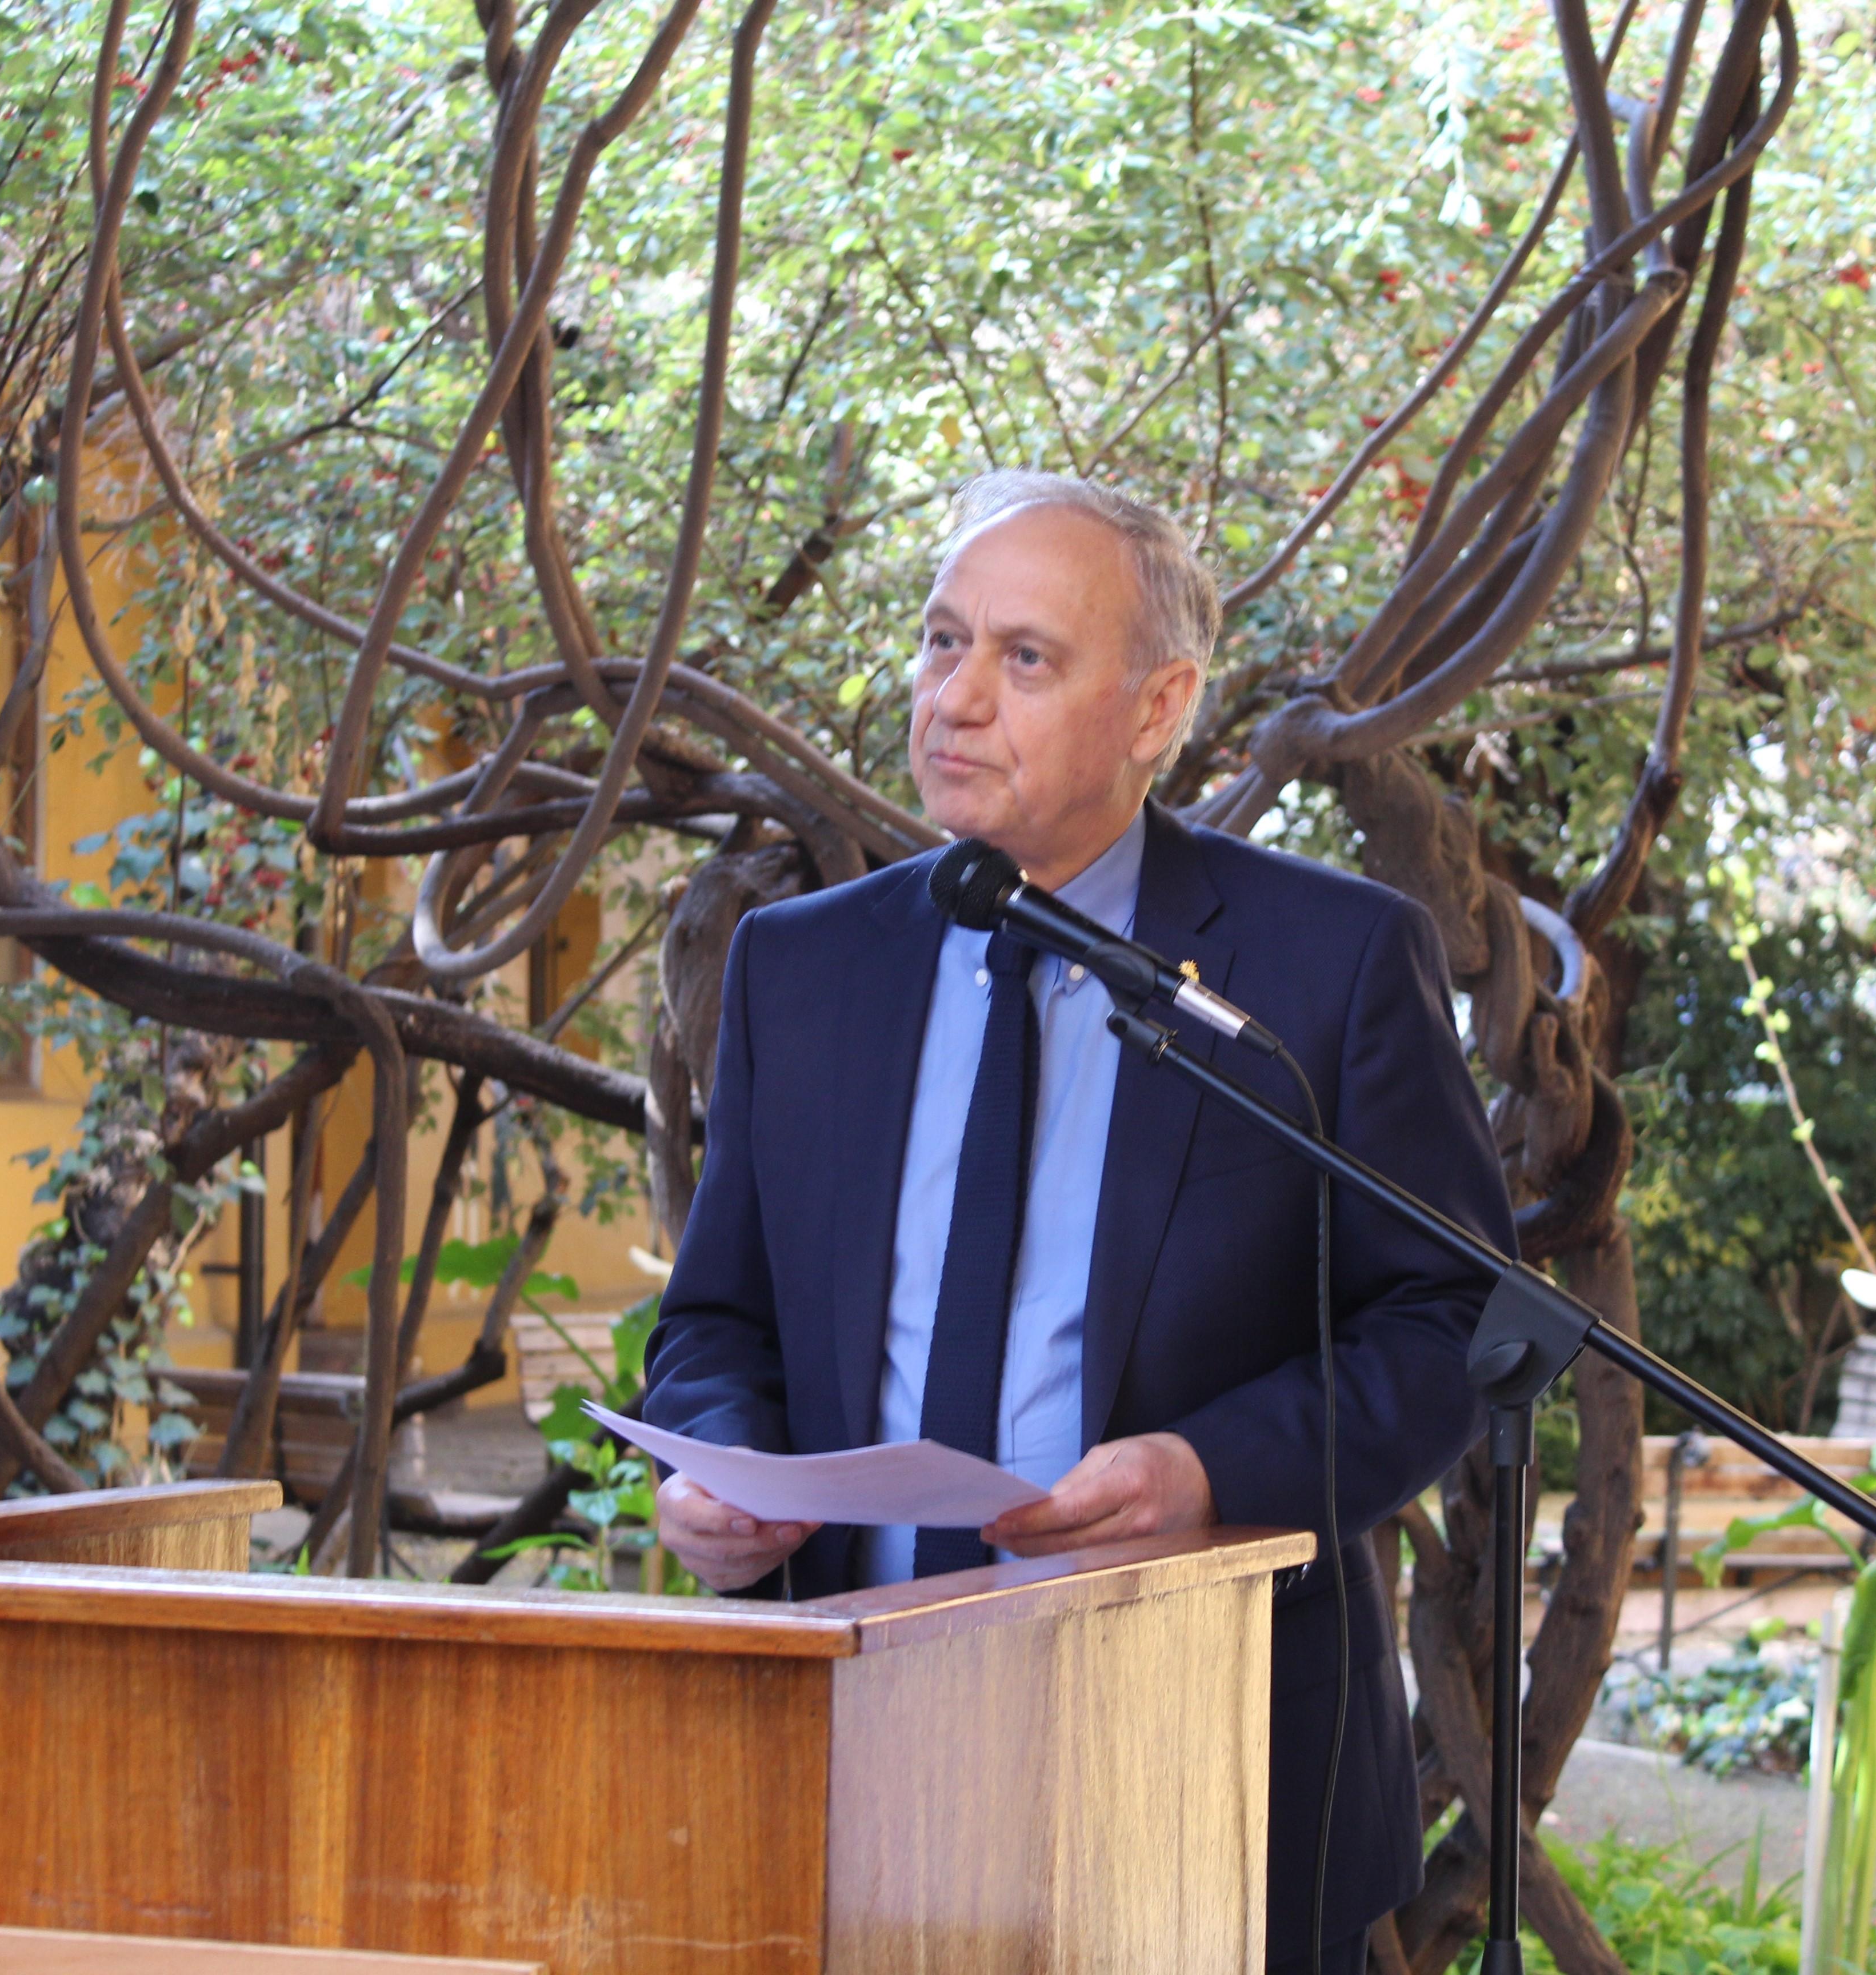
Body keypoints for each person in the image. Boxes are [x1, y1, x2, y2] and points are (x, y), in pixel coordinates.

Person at [641, 470, 1512, 1969]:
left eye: (1024, 659)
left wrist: (1205, 1470)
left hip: (1206, 1758)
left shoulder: (1327, 962)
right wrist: (722, 1476)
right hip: (851, 1745)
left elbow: (1457, 1320)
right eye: (940, 643)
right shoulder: (805, 968)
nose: (956, 698)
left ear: (1157, 708)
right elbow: (722, 1320)